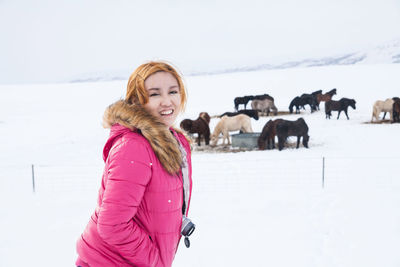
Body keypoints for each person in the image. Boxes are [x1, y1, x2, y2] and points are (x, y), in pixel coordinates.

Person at [76, 61, 193, 267]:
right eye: (154, 94)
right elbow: (113, 225)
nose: (167, 101)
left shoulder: (173, 142)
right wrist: (155, 262)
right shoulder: (134, 147)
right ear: (137, 101)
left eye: (173, 91)